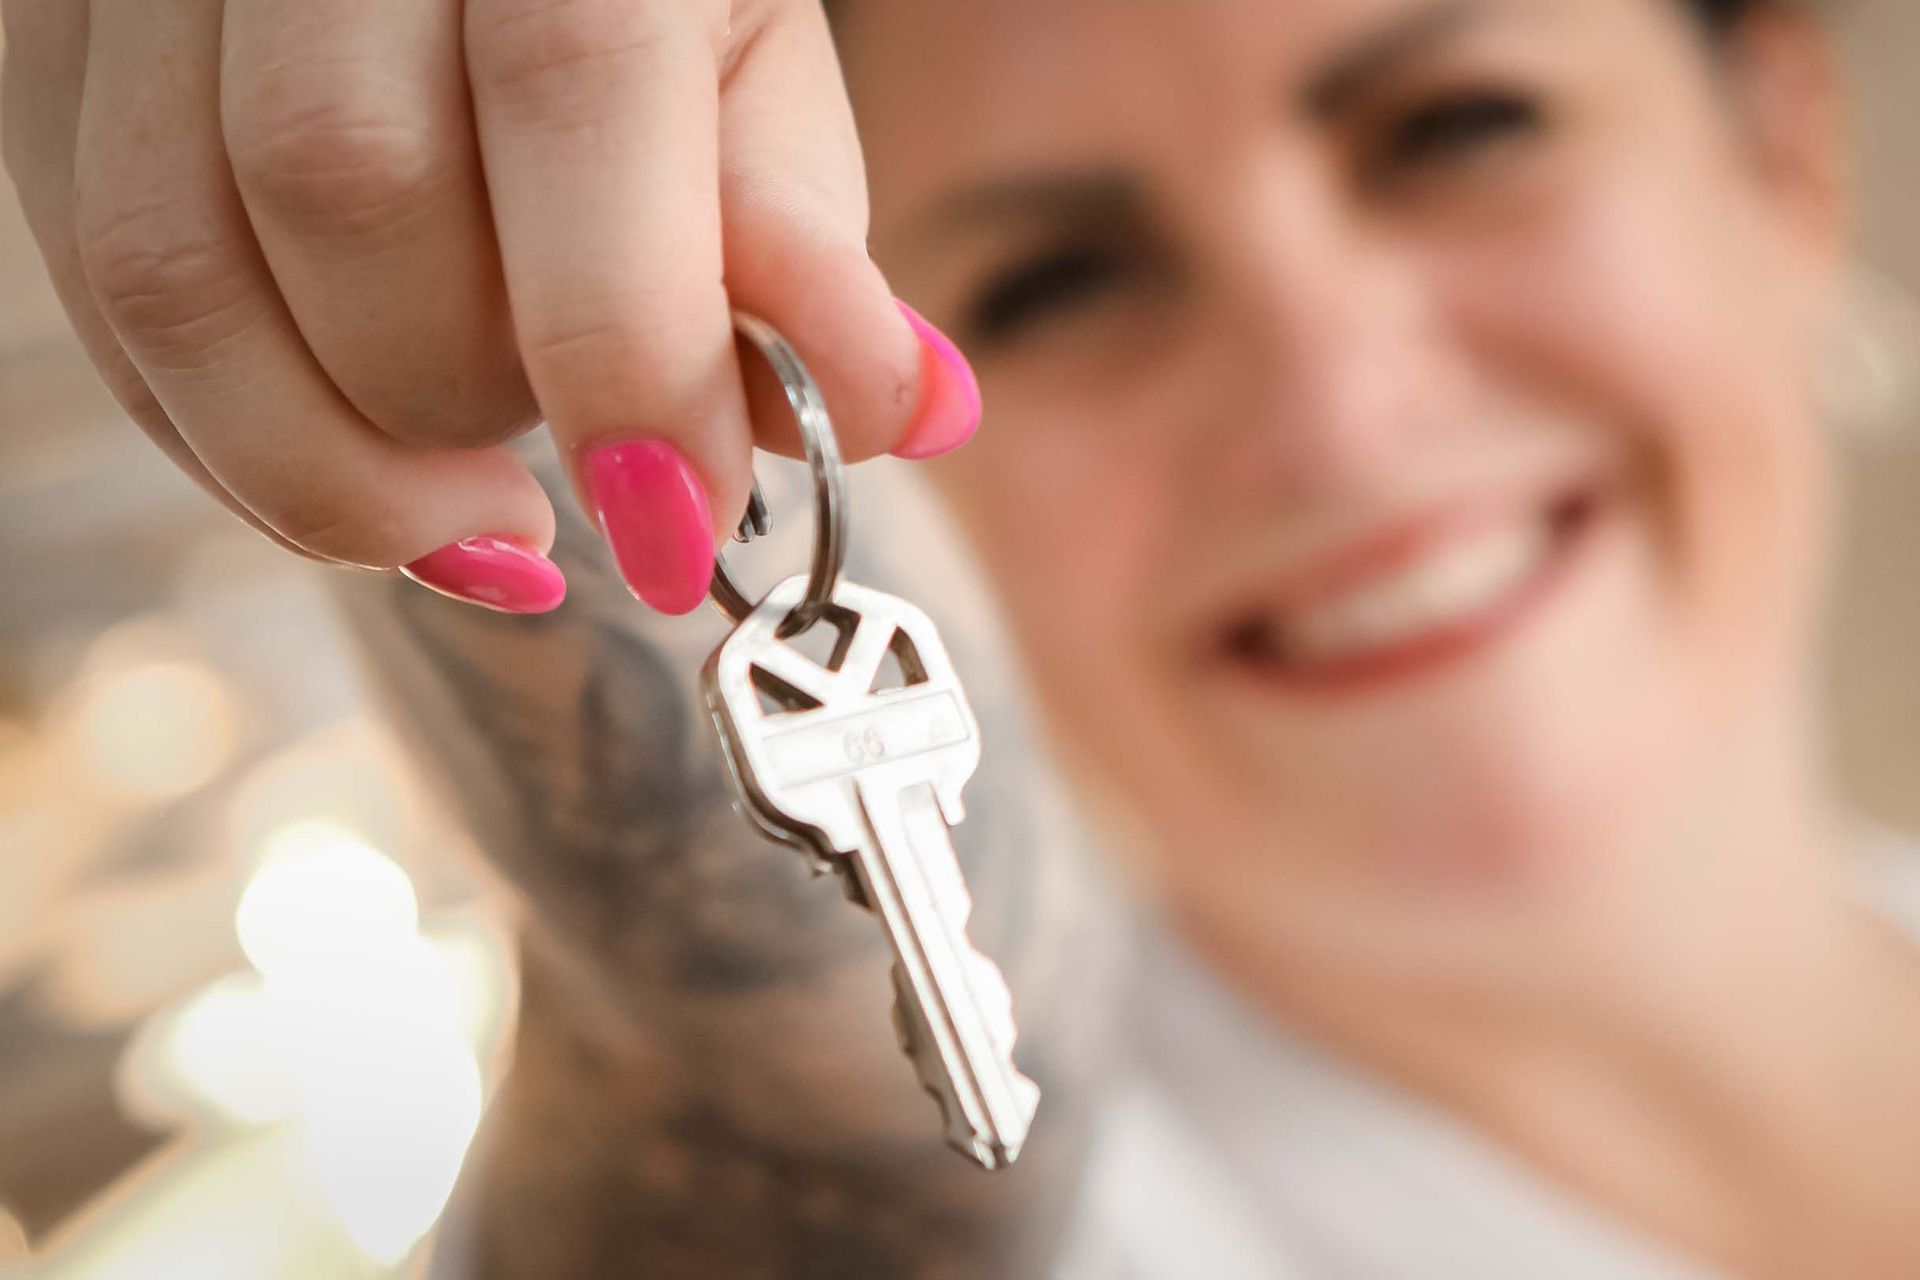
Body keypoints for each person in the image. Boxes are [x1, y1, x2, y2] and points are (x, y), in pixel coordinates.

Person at [6, 0, 1919, 1275]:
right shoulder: (983, 1204)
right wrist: (503, 281)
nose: (1337, 400)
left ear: (1784, 157)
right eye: (1056, 278)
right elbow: (769, 1071)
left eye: (1455, 128)